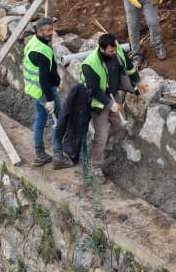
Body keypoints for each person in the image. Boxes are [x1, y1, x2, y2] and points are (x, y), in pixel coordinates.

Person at [54, 33, 137, 172]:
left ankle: (102, 146)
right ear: (102, 49)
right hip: (99, 102)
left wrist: (138, 81)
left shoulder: (117, 50)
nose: (114, 53)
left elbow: (129, 67)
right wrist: (110, 104)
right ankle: (95, 165)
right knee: (101, 136)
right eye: (110, 51)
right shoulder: (90, 65)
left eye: (115, 49)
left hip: (113, 96)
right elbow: (94, 90)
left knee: (119, 125)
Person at [20, 16, 61, 166]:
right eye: (48, 30)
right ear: (39, 31)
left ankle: (40, 154)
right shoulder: (42, 51)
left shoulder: (33, 42)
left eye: (52, 29)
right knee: (57, 121)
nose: (51, 33)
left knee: (40, 120)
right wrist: (50, 99)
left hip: (35, 91)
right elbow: (44, 79)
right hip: (44, 92)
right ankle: (58, 157)